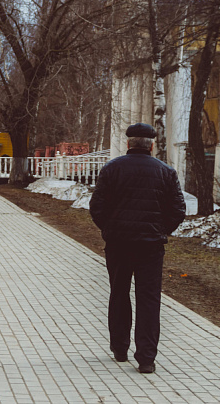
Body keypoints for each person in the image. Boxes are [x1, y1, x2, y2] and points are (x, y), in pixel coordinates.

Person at [89, 123, 186, 374]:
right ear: (152, 145)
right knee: (149, 299)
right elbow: (177, 210)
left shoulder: (112, 169)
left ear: (128, 144)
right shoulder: (166, 172)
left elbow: (97, 207)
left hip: (118, 244)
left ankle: (120, 349)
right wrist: (161, 230)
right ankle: (146, 359)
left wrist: (110, 230)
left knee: (119, 293)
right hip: (151, 247)